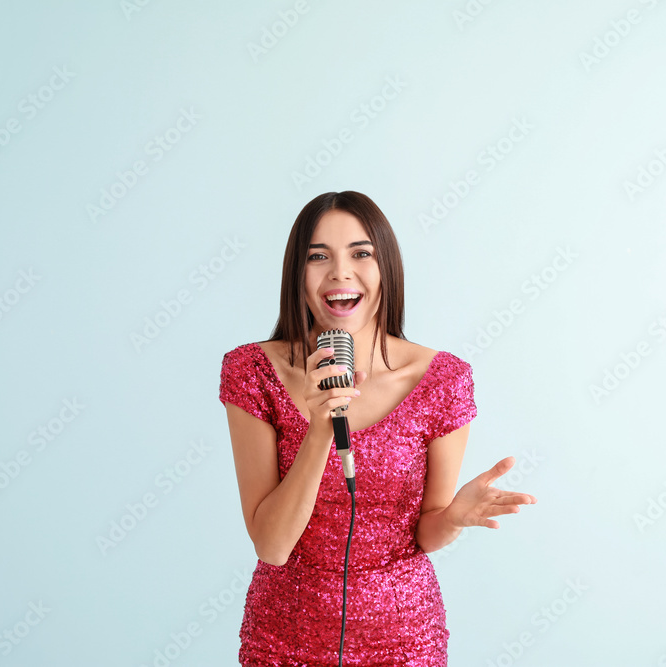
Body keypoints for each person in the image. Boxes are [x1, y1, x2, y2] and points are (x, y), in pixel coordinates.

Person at [219, 191, 537, 665]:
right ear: (297, 275)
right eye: (318, 256)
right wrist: (321, 430)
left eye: (361, 253)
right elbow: (272, 544)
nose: (340, 272)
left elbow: (425, 532)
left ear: (385, 267)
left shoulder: (442, 380)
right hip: (283, 641)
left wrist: (451, 518)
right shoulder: (252, 371)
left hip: (405, 641)